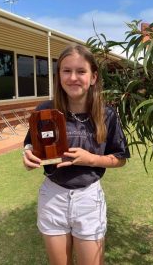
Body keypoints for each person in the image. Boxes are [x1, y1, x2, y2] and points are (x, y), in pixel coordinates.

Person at [23, 43, 130, 265]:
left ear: (93, 77)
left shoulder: (106, 114)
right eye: (66, 71)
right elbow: (30, 146)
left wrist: (90, 159)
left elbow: (120, 158)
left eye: (81, 71)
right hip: (52, 197)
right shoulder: (44, 111)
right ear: (58, 75)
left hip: (88, 199)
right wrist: (28, 156)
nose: (73, 77)